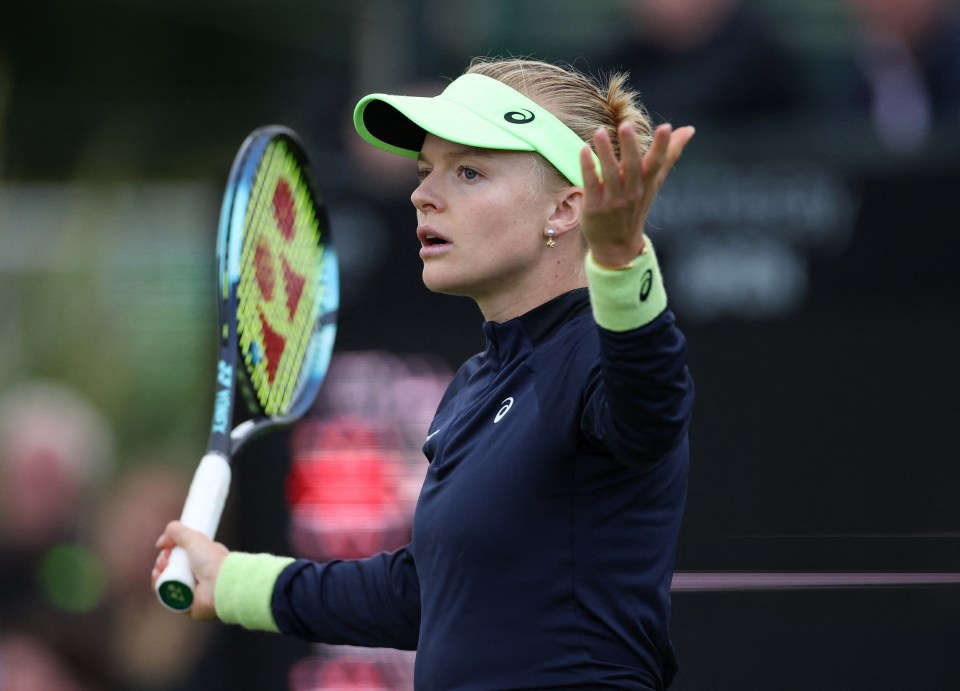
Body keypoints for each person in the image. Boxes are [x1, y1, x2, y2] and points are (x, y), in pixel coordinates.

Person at [154, 56, 696, 690]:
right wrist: (232, 581)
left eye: (469, 171)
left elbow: (652, 401)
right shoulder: (476, 384)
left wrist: (621, 260)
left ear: (568, 208)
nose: (422, 194)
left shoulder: (597, 352)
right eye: (423, 171)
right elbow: (429, 593)